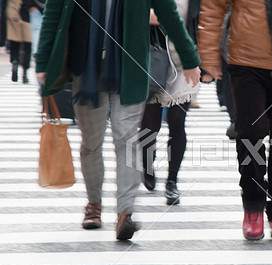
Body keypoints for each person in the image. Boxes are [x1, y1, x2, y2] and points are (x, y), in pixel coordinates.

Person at [35, 0, 201, 240]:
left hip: (130, 68)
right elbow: (54, 13)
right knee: (91, 142)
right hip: (86, 68)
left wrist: (190, 59)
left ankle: (125, 213)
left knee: (127, 138)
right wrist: (43, 61)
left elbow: (168, 13)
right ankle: (94, 204)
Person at [198, 0, 272, 242]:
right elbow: (212, 9)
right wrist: (208, 56)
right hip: (245, 61)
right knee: (250, 133)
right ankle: (253, 205)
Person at [141, 1, 200, 206]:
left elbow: (200, 21)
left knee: (177, 121)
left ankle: (172, 181)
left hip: (183, 63)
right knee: (150, 124)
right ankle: (147, 163)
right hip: (153, 58)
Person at [6, 0, 31, 83]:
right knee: (27, 46)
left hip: (13, 13)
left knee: (14, 43)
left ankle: (14, 62)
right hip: (27, 16)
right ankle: (25, 72)